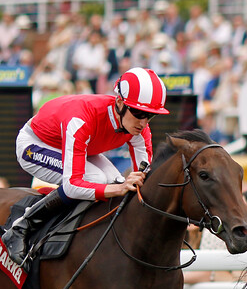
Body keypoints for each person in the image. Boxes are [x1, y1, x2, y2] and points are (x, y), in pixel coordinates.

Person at [1, 66, 168, 265]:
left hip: (78, 147)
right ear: (120, 103)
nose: (143, 122)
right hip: (35, 145)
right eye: (139, 112)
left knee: (114, 180)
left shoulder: (140, 127)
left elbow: (145, 176)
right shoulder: (81, 118)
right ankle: (21, 227)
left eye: (150, 115)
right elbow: (73, 185)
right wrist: (119, 188)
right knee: (99, 181)